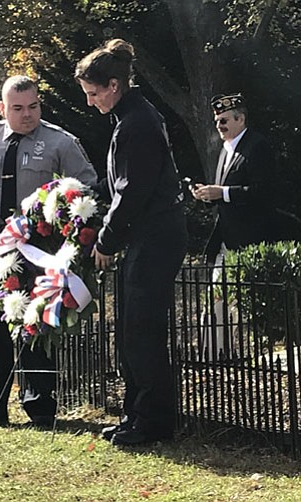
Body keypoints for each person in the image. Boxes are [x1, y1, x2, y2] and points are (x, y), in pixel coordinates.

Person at [0, 75, 97, 431]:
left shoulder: (58, 141)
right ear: (3, 109)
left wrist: (64, 227)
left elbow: (87, 187)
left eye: (33, 107)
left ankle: (40, 407)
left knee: (36, 324)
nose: (27, 115)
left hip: (39, 250)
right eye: (17, 108)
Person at [75, 39, 188, 446]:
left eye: (92, 94)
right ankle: (137, 413)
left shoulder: (136, 123)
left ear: (113, 86)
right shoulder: (133, 117)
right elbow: (120, 184)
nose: (90, 104)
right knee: (132, 329)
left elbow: (132, 193)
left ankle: (152, 422)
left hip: (155, 235)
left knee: (142, 331)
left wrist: (105, 239)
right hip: (152, 234)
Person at [190, 93, 277, 265]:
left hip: (251, 242)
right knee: (215, 292)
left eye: (224, 121)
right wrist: (206, 194)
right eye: (216, 121)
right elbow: (223, 193)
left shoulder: (258, 146)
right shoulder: (225, 149)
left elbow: (262, 192)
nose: (218, 126)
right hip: (225, 240)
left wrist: (222, 193)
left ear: (241, 119)